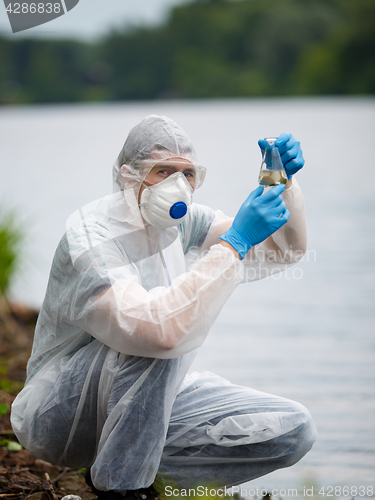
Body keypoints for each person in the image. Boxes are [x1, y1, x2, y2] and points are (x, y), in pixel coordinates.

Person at [11, 115, 316, 500]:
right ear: (129, 176)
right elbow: (159, 332)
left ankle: (141, 477)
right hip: (61, 415)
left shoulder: (181, 223)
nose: (178, 185)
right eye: (163, 171)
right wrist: (233, 244)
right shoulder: (91, 238)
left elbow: (281, 250)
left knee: (290, 429)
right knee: (158, 335)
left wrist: (284, 184)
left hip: (142, 401)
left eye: (188, 173)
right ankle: (122, 489)